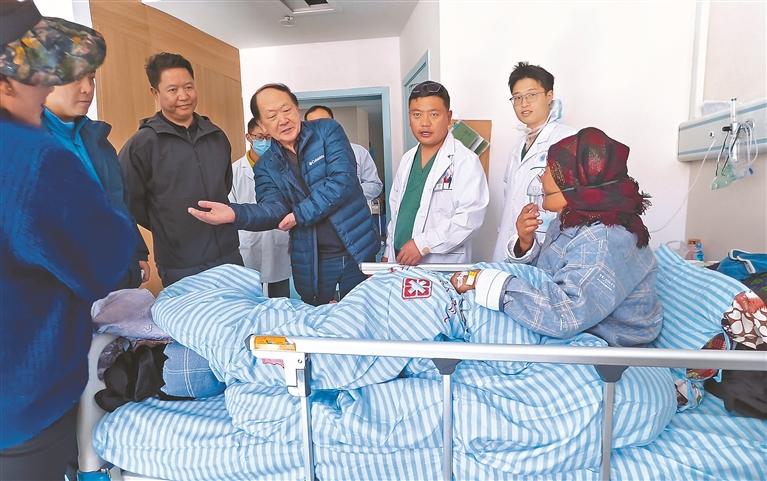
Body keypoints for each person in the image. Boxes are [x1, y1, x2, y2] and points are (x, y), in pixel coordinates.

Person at [0, 1, 137, 479]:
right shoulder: (32, 156)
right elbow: (104, 258)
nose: (49, 86)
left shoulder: (93, 141)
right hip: (19, 402)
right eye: (40, 75)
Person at [452, 127, 662, 347]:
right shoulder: (573, 219)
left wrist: (486, 282)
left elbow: (565, 317)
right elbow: (552, 273)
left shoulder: (604, 240)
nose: (541, 176)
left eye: (550, 169)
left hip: (604, 343)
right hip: (576, 324)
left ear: (577, 183)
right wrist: (525, 243)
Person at [188, 83, 379, 306]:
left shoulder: (327, 131)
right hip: (312, 259)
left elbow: (342, 181)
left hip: (357, 247)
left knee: (363, 313)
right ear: (262, 124)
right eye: (272, 115)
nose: (283, 119)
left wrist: (298, 215)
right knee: (318, 316)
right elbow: (274, 209)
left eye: (286, 110)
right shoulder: (266, 166)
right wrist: (234, 214)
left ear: (297, 108)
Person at [119, 52, 242, 286]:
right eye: (173, 90)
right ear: (155, 93)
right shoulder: (143, 144)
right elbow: (125, 201)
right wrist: (167, 224)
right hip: (180, 263)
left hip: (228, 254)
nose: (183, 96)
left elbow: (224, 185)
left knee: (239, 308)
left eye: (188, 87)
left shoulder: (216, 136)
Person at [42, 70, 150, 289]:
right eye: (75, 78)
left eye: (91, 78)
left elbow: (118, 201)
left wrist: (136, 251)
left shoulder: (97, 139)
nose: (87, 88)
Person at [384, 81, 488, 265]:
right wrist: (388, 251)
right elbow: (396, 212)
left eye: (434, 114)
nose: (425, 123)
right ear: (409, 118)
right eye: (417, 115)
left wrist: (422, 244)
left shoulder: (465, 161)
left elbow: (469, 219)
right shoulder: (407, 159)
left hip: (439, 264)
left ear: (448, 117)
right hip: (398, 259)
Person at [492, 62, 576, 261]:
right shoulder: (517, 148)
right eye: (517, 97)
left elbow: (574, 200)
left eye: (531, 95)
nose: (524, 103)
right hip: (513, 244)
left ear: (549, 96)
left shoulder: (568, 140)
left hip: (549, 245)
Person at [229, 117, 291, 298]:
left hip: (278, 238)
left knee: (280, 297)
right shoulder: (234, 171)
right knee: (249, 296)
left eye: (269, 137)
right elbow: (230, 206)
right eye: (259, 137)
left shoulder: (285, 168)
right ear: (249, 137)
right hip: (247, 241)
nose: (264, 141)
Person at [304, 105, 383, 202]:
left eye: (325, 122)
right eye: (313, 124)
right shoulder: (301, 157)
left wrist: (350, 192)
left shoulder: (358, 152)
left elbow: (375, 185)